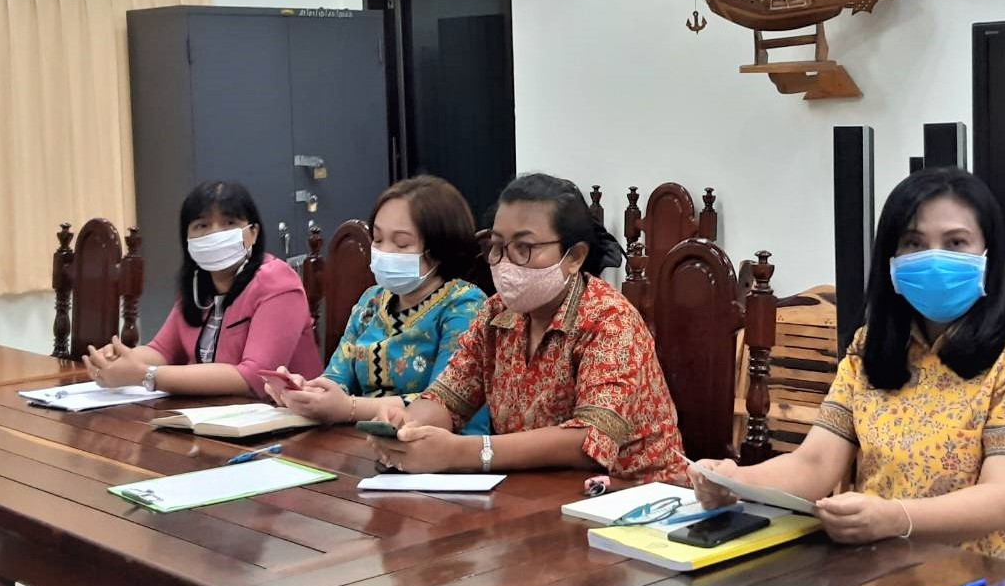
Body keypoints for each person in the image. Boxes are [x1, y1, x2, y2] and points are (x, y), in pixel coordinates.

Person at [690, 168, 1005, 564]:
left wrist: (894, 518)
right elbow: (814, 464)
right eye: (913, 243)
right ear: (891, 257)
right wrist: (735, 480)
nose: (934, 258)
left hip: (987, 582)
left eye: (956, 242)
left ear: (988, 254)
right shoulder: (869, 345)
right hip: (874, 569)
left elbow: (1002, 498)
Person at [366, 172, 688, 484]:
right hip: (533, 493)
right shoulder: (496, 314)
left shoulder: (610, 318)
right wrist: (407, 429)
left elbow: (589, 439)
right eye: (497, 246)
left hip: (637, 496)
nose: (505, 263)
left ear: (574, 257)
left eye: (524, 248)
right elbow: (447, 398)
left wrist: (462, 452)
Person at [261, 175, 488, 427]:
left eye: (401, 243)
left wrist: (349, 408)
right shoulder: (372, 301)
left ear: (440, 249)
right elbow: (337, 377)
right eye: (378, 240)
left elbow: (443, 402)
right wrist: (307, 393)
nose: (384, 251)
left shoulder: (464, 304)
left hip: (436, 443)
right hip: (362, 439)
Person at [83, 181, 322, 396]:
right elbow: (163, 351)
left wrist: (146, 375)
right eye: (202, 225)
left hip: (285, 417)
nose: (215, 233)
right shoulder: (199, 284)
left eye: (229, 223)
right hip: (213, 415)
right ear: (187, 238)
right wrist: (118, 359)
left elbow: (254, 377)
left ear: (253, 233)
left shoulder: (277, 281)